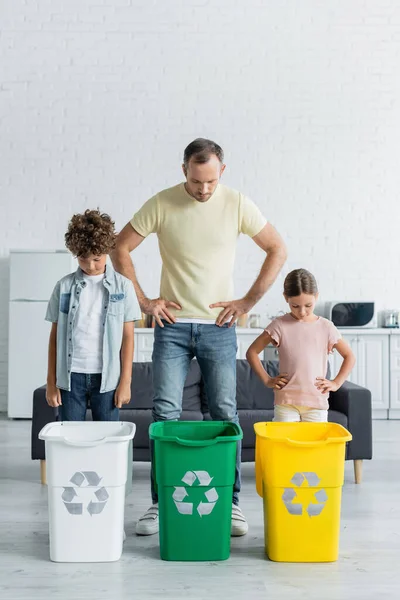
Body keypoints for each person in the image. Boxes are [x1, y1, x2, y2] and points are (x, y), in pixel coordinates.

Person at [112, 138, 287, 536]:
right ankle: (160, 504)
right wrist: (143, 301)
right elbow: (121, 247)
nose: (203, 189)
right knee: (165, 416)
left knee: (225, 414)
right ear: (184, 171)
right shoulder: (162, 203)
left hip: (219, 329)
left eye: (210, 181)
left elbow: (277, 248)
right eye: (195, 181)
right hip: (171, 328)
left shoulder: (238, 204)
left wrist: (247, 301)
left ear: (221, 172)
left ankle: (231, 504)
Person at [45, 209, 141, 421]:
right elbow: (55, 338)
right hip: (70, 378)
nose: (90, 266)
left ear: (107, 251)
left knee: (106, 440)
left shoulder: (123, 287)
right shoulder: (63, 287)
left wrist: (125, 382)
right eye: (83, 259)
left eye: (97, 259)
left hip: (107, 379)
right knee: (70, 440)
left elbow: (128, 338)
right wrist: (51, 382)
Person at [246, 268, 356, 422]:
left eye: (308, 305)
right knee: (285, 444)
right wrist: (267, 380)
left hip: (316, 403)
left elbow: (349, 356)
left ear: (316, 297)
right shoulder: (279, 325)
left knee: (313, 446)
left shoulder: (326, 327)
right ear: (286, 298)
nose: (302, 312)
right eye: (295, 306)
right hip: (286, 402)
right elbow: (251, 352)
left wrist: (336, 383)